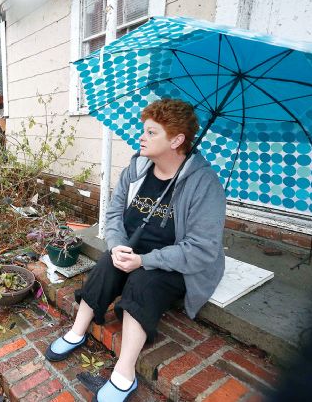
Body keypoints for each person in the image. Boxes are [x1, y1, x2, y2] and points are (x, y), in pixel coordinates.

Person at [45, 99, 226, 401]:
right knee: (105, 263)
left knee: (143, 281)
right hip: (132, 251)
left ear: (177, 140)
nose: (141, 137)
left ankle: (124, 373)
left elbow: (201, 250)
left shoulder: (204, 184)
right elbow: (114, 214)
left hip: (174, 263)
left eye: (151, 133)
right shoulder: (138, 167)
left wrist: (144, 260)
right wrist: (117, 247)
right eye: (144, 131)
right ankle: (77, 330)